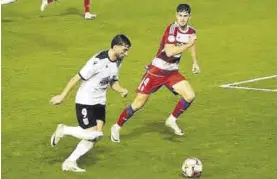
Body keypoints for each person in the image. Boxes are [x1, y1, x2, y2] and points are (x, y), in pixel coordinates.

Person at [110, 3, 200, 143]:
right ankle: (116, 127)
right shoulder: (171, 30)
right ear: (176, 15)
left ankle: (171, 120)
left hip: (171, 73)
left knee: (190, 95)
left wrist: (195, 62)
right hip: (156, 71)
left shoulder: (191, 31)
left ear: (190, 16)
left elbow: (192, 45)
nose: (182, 19)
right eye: (180, 15)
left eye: (185, 16)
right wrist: (188, 44)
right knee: (138, 103)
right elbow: (170, 51)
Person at [50, 34, 131, 172]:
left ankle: (70, 162)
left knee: (96, 136)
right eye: (124, 50)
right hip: (85, 101)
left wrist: (120, 89)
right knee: (92, 134)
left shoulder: (118, 59)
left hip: (100, 102)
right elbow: (76, 78)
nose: (126, 53)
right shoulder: (97, 61)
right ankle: (64, 130)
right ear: (115, 47)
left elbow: (112, 80)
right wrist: (62, 96)